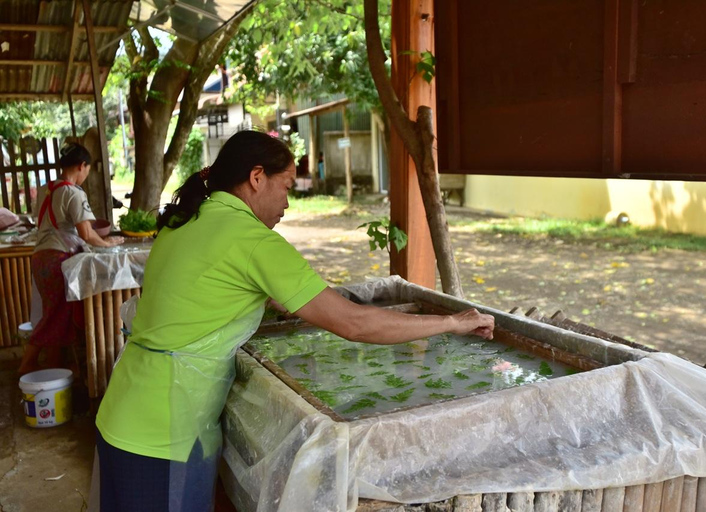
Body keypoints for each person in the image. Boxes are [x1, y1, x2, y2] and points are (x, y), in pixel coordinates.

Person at [93, 130, 494, 512]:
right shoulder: (252, 241)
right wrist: (450, 323)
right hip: (165, 434)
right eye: (285, 186)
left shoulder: (186, 221)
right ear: (256, 178)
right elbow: (354, 324)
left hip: (124, 410)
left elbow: (200, 294)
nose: (288, 203)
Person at [18, 143, 124, 375]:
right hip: (57, 259)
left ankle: (53, 366)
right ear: (81, 166)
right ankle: (26, 365)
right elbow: (87, 233)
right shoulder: (73, 192)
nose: (86, 174)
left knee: (57, 313)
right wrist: (108, 244)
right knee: (55, 315)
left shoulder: (48, 189)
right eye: (87, 169)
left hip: (41, 257)